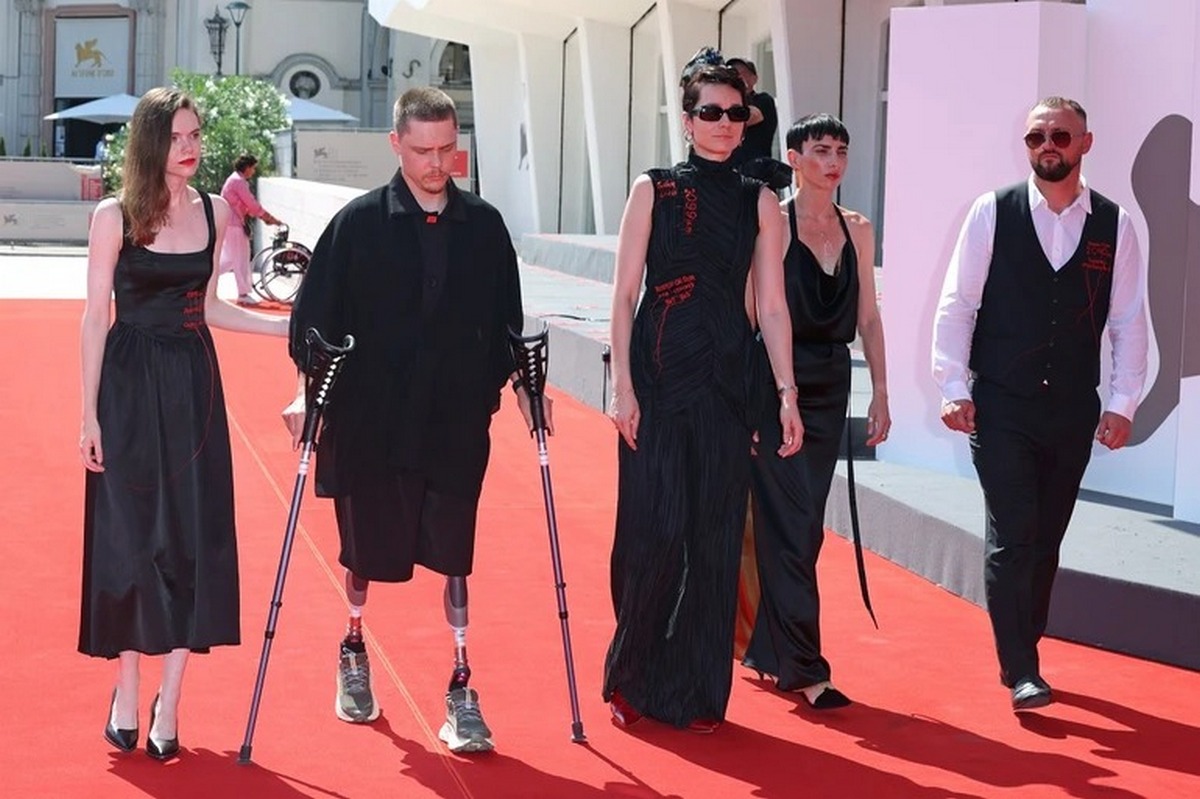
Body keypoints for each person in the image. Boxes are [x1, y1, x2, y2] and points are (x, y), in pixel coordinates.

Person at [282, 86, 542, 755]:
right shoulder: (356, 225)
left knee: (455, 552)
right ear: (395, 144)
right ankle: (353, 647)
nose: (435, 164)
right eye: (422, 150)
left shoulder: (484, 226)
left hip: (454, 422)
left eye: (447, 149)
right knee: (365, 551)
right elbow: (313, 322)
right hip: (370, 422)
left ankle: (461, 684)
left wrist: (523, 390)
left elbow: (508, 324)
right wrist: (306, 394)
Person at [79, 87, 290, 760]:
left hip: (194, 387)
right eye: (177, 137)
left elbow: (212, 307)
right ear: (151, 142)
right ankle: (128, 689)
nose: (191, 146)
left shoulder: (218, 211)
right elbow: (95, 315)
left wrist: (281, 330)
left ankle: (170, 701)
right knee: (129, 539)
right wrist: (88, 413)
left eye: (196, 134)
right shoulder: (114, 216)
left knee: (189, 539)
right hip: (128, 387)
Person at [603, 56, 803, 734]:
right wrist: (623, 387)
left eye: (735, 113)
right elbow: (624, 295)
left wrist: (786, 393)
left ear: (747, 122)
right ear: (687, 122)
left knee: (713, 539)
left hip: (726, 382)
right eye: (710, 113)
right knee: (655, 531)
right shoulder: (654, 188)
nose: (724, 123)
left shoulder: (761, 201)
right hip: (658, 376)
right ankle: (633, 675)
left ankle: (694, 689)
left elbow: (771, 307)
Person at [932, 96, 1148, 711]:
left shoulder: (1115, 224)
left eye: (1059, 135)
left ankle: (1022, 648)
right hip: (1001, 404)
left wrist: (1123, 402)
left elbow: (1129, 320)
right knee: (1013, 535)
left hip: (1072, 408)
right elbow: (958, 304)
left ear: (1085, 143)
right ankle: (1022, 667)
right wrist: (953, 387)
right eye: (1035, 137)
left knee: (1046, 538)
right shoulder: (992, 211)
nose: (1046, 145)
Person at [741, 113, 890, 710]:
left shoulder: (859, 229)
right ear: (794, 158)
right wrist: (768, 396)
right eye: (821, 150)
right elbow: (755, 312)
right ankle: (806, 669)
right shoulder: (772, 223)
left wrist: (882, 390)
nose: (833, 162)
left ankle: (766, 646)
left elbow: (869, 317)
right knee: (792, 522)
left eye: (841, 151)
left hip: (832, 385)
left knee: (799, 528)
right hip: (778, 383)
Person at [219, 153, 281, 306]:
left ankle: (203, 279)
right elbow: (251, 204)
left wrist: (264, 216)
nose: (253, 171)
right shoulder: (238, 182)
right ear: (247, 167)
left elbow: (246, 205)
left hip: (230, 223)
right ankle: (243, 293)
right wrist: (268, 218)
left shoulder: (235, 180)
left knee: (229, 259)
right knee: (240, 259)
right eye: (253, 168)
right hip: (234, 224)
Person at [726, 58, 778, 166]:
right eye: (733, 73)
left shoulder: (763, 100)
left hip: (756, 168)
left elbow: (752, 116)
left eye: (742, 73)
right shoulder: (727, 103)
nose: (737, 77)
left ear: (754, 79)